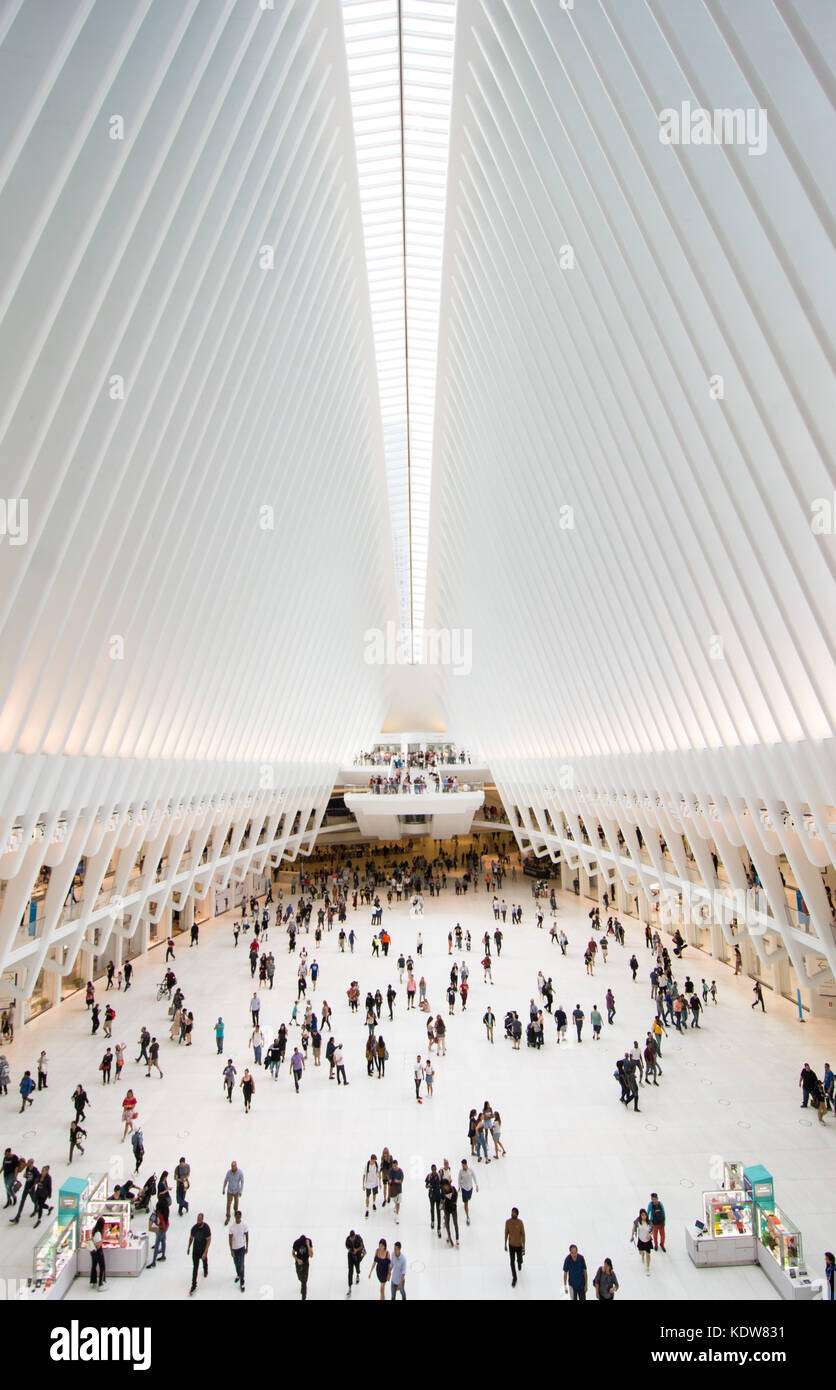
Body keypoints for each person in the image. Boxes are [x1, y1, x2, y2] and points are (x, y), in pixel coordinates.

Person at [188, 1213, 212, 1295]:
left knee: (204, 1260)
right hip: (195, 1250)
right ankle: (193, 1285)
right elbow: (191, 1238)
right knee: (195, 1267)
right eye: (197, 1219)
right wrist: (188, 1247)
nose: (198, 1221)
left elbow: (209, 1240)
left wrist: (205, 1251)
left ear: (202, 1220)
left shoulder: (206, 1228)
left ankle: (205, 1270)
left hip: (203, 1249)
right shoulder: (194, 1228)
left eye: (200, 1220)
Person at [504, 1206, 525, 1287]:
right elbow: (506, 1233)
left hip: (519, 1245)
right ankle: (514, 1277)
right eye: (512, 1212)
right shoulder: (508, 1222)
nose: (513, 1214)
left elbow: (523, 1234)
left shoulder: (520, 1223)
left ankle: (519, 1262)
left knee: (519, 1259)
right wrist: (505, 1244)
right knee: (511, 1262)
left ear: (517, 1214)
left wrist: (523, 1246)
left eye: (514, 1213)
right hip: (511, 1245)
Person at [229, 1209, 248, 1291]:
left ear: (241, 1217)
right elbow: (229, 1238)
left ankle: (242, 1281)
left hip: (241, 1247)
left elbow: (247, 1235)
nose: (238, 1218)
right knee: (236, 1263)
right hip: (234, 1247)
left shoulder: (244, 1225)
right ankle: (238, 1274)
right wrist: (231, 1250)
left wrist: (247, 1246)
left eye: (239, 1217)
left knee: (241, 1264)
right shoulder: (232, 1227)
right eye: (236, 1217)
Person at [632, 1208, 654, 1276]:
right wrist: (632, 1235)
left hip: (647, 1241)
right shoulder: (638, 1221)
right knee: (640, 1252)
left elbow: (652, 1230)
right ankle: (642, 1254)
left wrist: (650, 1235)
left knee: (648, 1254)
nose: (644, 1216)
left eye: (645, 1215)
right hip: (641, 1240)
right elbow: (634, 1227)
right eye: (642, 1215)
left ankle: (647, 1267)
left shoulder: (649, 1222)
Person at [89, 1215, 108, 1290]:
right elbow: (98, 1245)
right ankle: (101, 1284)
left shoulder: (94, 1230)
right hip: (98, 1252)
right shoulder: (99, 1234)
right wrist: (103, 1239)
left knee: (94, 1266)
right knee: (102, 1267)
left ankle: (93, 1281)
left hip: (93, 1252)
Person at [292, 1234, 313, 1300]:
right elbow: (293, 1253)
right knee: (300, 1277)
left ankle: (303, 1297)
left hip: (305, 1262)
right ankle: (302, 1284)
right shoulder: (296, 1243)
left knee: (304, 1281)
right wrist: (297, 1260)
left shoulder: (309, 1241)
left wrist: (308, 1245)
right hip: (298, 1262)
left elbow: (311, 1255)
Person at [458, 1159, 478, 1225]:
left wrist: (476, 1185)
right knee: (466, 1203)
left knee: (469, 1198)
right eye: (462, 1165)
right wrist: (459, 1187)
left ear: (466, 1164)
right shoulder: (461, 1171)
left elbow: (474, 1177)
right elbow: (459, 1179)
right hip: (464, 1189)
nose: (463, 1167)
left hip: (470, 1188)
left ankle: (468, 1198)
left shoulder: (470, 1170)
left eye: (463, 1165)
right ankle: (467, 1217)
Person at [346, 1229, 366, 1294]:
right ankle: (349, 1287)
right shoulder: (347, 1240)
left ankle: (357, 1274)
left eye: (353, 1237)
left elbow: (362, 1246)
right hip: (351, 1255)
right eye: (351, 1238)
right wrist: (349, 1249)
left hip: (357, 1255)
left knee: (357, 1267)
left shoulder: (358, 1238)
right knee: (350, 1270)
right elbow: (347, 1246)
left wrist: (357, 1250)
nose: (352, 1239)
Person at [442, 1176, 460, 1246]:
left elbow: (456, 1197)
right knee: (447, 1224)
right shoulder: (443, 1192)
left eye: (446, 1186)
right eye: (444, 1186)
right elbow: (442, 1202)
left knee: (455, 1223)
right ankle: (449, 1236)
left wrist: (454, 1202)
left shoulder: (453, 1189)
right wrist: (444, 1212)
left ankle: (457, 1239)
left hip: (453, 1209)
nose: (445, 1188)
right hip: (447, 1210)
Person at [426, 1165, 442, 1237]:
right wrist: (428, 1186)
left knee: (438, 1211)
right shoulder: (429, 1176)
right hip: (432, 1195)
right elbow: (426, 1185)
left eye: (435, 1170)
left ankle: (439, 1228)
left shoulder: (439, 1176)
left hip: (438, 1195)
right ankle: (432, 1221)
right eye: (433, 1170)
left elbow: (441, 1184)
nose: (434, 1171)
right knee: (432, 1208)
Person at [388, 1157, 404, 1224]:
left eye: (395, 1166)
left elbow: (401, 1181)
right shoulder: (391, 1170)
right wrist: (390, 1180)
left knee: (398, 1202)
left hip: (399, 1189)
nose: (394, 1167)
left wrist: (397, 1181)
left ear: (397, 1165)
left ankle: (397, 1216)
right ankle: (395, 1206)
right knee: (394, 1200)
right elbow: (389, 1178)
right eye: (393, 1166)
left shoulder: (400, 1171)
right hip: (392, 1189)